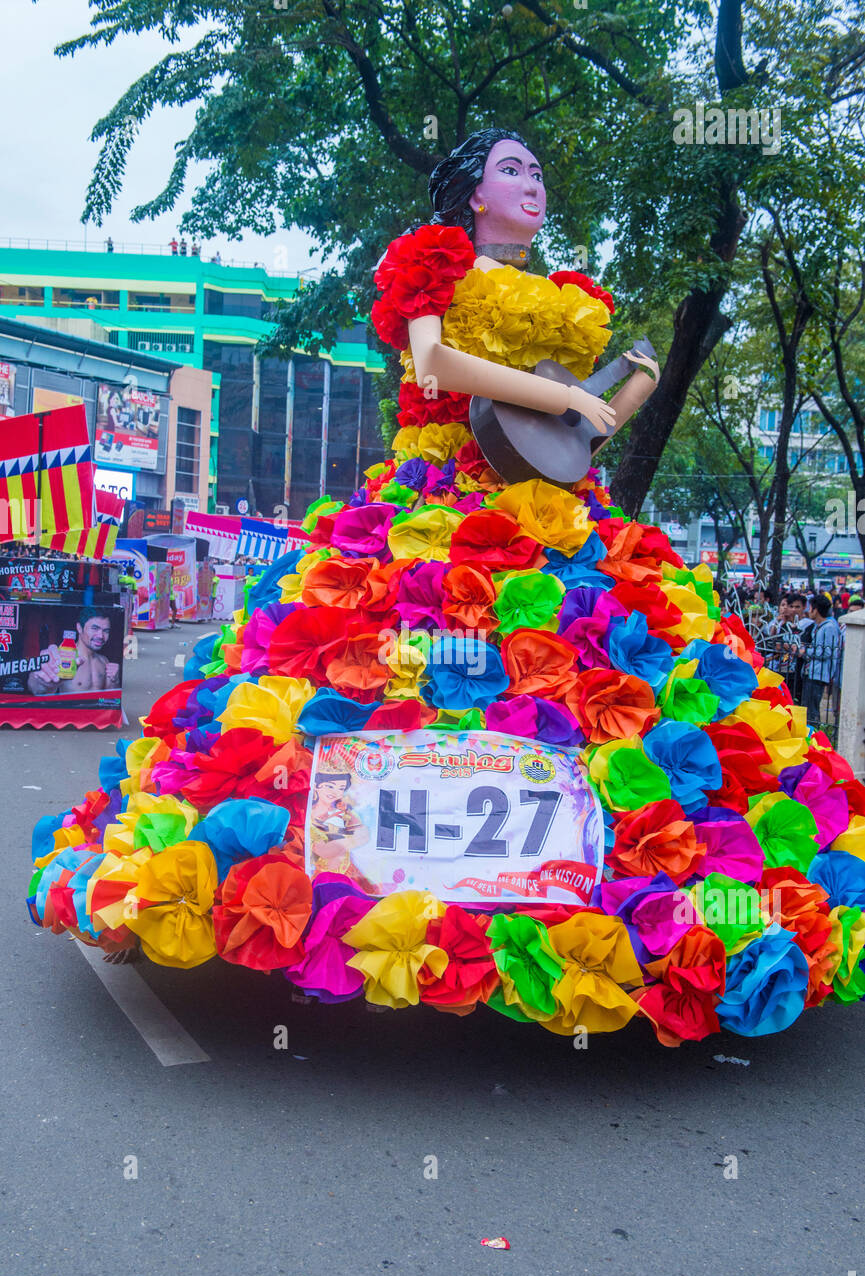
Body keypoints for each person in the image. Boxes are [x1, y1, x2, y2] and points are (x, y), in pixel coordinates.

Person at [26, 127, 865, 1046]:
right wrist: (564, 400)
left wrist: (627, 390)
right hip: (437, 498)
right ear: (472, 193)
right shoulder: (434, 262)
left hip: (557, 514)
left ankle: (592, 889)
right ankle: (344, 897)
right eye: (513, 170)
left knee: (606, 690)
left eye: (538, 171)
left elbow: (579, 437)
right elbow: (436, 367)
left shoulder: (569, 298)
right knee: (376, 677)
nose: (532, 184)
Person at [27, 609, 119, 695]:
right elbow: (36, 689)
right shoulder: (62, 656)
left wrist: (115, 680)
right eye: (94, 628)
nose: (101, 636)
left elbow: (109, 699)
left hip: (97, 712)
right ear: (79, 628)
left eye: (106, 631)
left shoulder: (104, 661)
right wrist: (42, 682)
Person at [800, 593, 842, 727]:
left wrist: (806, 651)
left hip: (818, 673)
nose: (808, 611)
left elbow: (826, 651)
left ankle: (814, 735)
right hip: (811, 671)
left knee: (812, 710)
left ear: (815, 609)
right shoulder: (819, 626)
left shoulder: (828, 627)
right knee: (807, 708)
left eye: (810, 607)